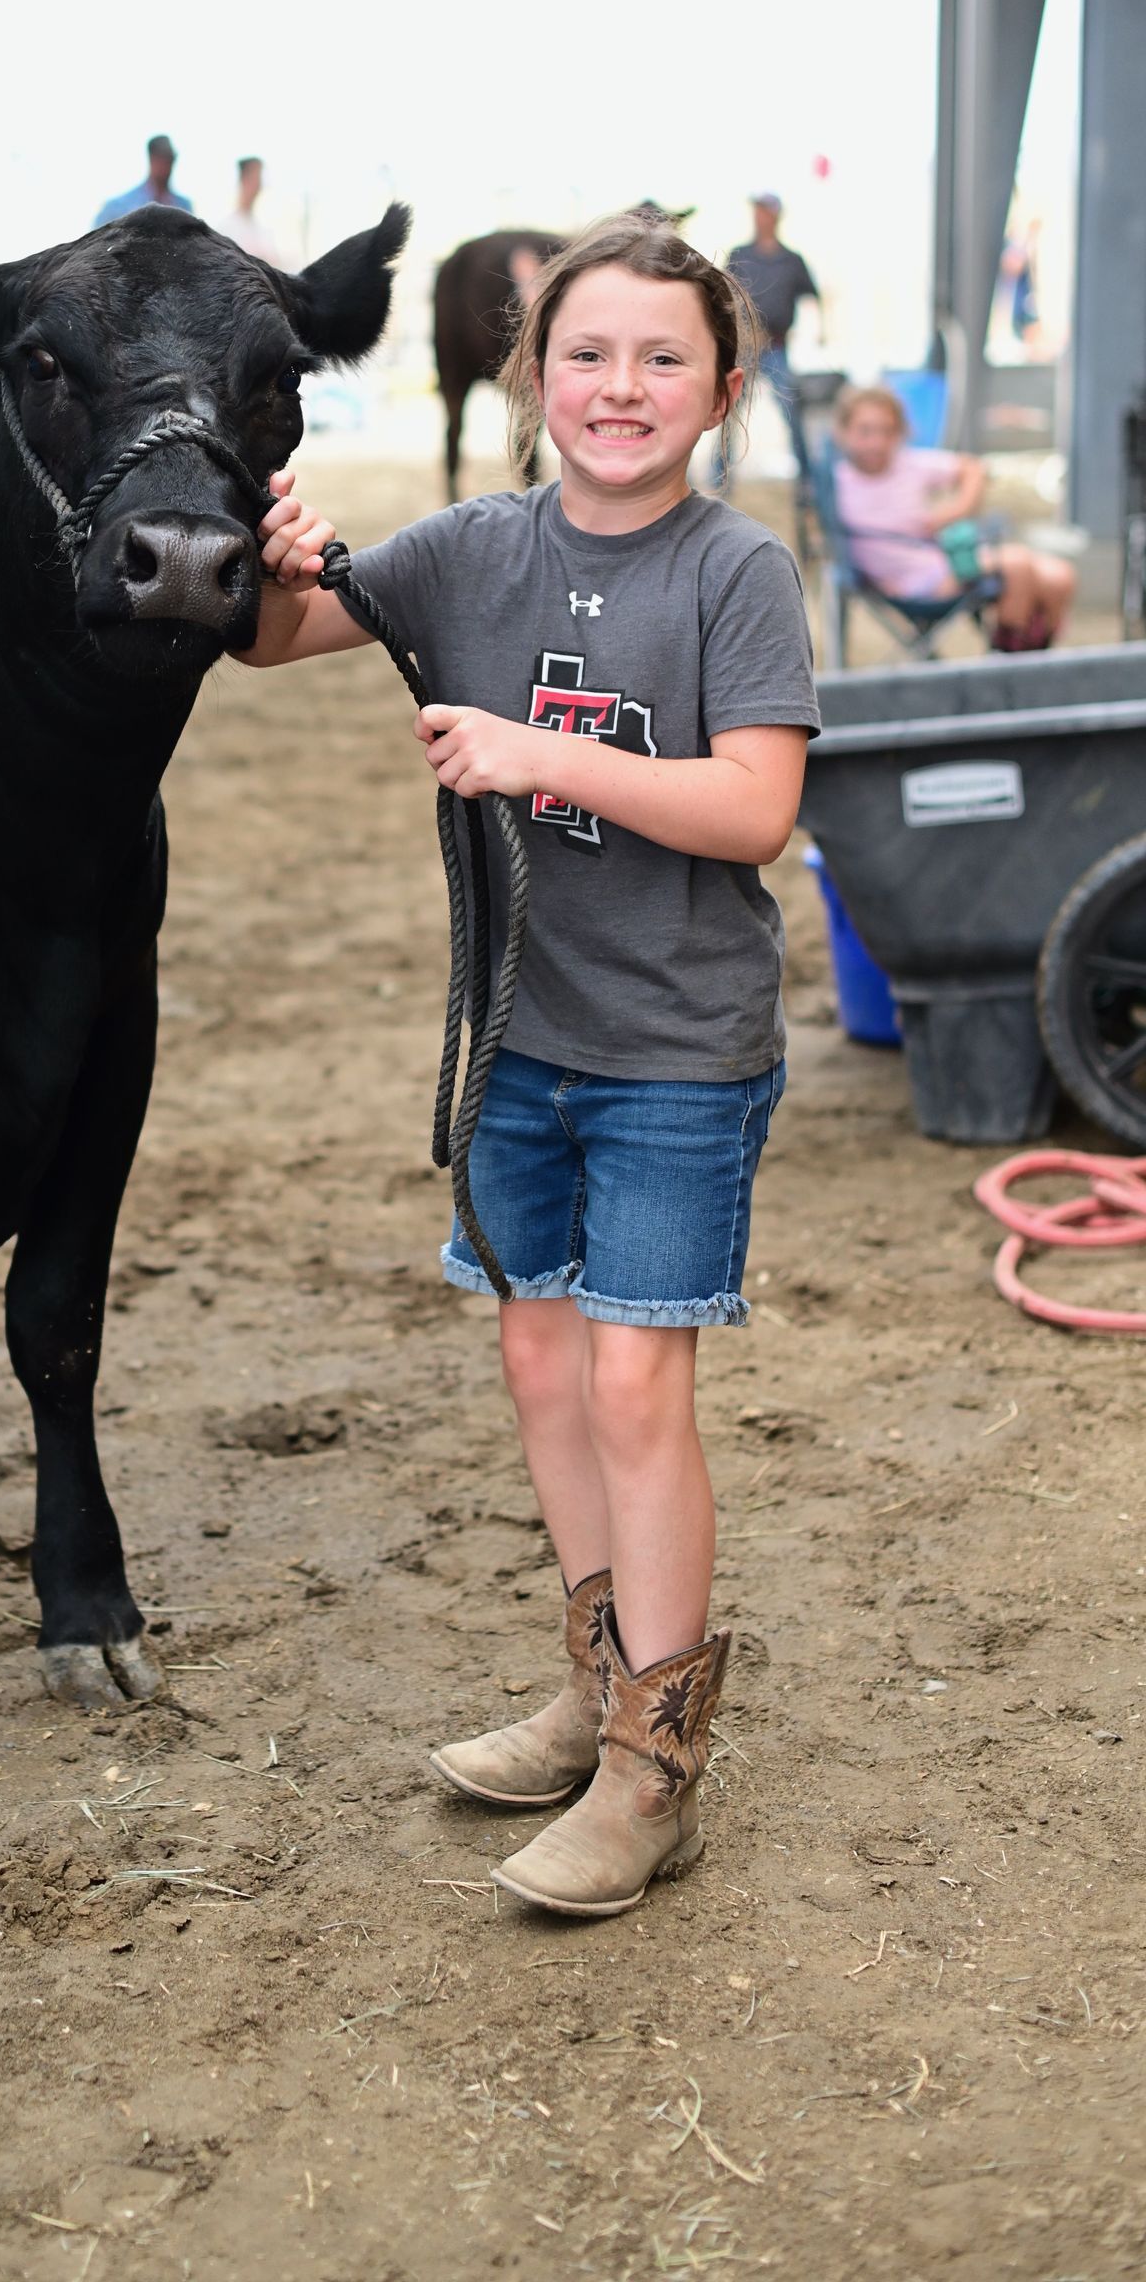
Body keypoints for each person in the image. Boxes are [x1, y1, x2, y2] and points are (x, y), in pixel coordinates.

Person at [240, 210, 818, 1919]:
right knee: (545, 1376)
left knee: (641, 1391)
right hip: (523, 1046)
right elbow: (277, 645)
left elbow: (756, 807)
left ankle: (656, 1764)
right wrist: (279, 561)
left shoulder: (735, 574)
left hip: (676, 1058)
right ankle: (588, 1683)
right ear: (530, 372)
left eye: (661, 359)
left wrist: (534, 748)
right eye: (587, 354)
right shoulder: (469, 553)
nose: (619, 387)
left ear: (719, 389)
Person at [833, 382, 1074, 649]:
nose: (876, 442)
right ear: (843, 432)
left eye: (887, 431)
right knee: (1018, 564)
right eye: (865, 431)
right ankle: (1010, 660)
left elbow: (974, 468)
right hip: (915, 581)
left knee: (1061, 577)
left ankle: (1031, 653)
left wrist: (952, 514)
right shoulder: (837, 482)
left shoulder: (909, 464)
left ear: (899, 432)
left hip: (938, 558)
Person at [720, 191, 818, 480]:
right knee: (728, 414)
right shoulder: (740, 254)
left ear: (775, 216)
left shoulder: (791, 260)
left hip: (777, 346)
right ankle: (720, 479)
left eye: (764, 211)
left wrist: (818, 334)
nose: (760, 217)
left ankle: (806, 481)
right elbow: (723, 295)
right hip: (745, 348)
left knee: (792, 412)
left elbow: (813, 297)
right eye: (757, 211)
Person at [93, 134, 193, 227]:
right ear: (152, 159)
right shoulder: (117, 207)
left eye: (170, 160)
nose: (166, 166)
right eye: (162, 159)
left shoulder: (184, 205)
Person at [217, 155, 286, 267]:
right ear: (244, 179)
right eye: (256, 177)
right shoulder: (226, 227)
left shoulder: (263, 227)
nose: (259, 185)